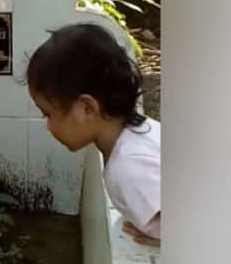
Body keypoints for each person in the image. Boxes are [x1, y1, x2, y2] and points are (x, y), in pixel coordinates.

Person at [25, 23, 161, 247]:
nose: (48, 126)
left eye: (48, 114)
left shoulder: (129, 168)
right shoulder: (140, 132)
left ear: (88, 108)